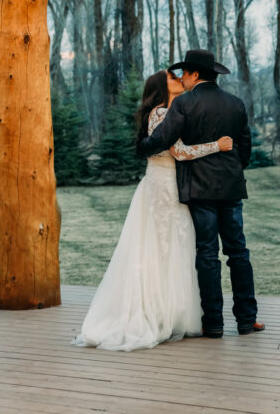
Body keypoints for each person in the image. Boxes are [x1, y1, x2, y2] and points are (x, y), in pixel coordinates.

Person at [72, 68, 232, 351]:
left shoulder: (174, 110)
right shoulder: (160, 113)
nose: (179, 79)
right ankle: (156, 313)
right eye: (173, 78)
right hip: (163, 184)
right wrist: (216, 146)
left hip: (173, 183)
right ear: (162, 86)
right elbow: (180, 152)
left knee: (177, 245)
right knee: (161, 247)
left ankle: (175, 312)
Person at [138, 48, 264, 339]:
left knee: (207, 254)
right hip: (231, 187)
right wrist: (232, 168)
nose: (181, 78)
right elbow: (244, 146)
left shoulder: (184, 104)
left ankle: (214, 323)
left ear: (195, 74)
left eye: (184, 73)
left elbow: (162, 139)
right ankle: (247, 319)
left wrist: (142, 147)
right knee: (238, 252)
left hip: (199, 188)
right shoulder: (235, 103)